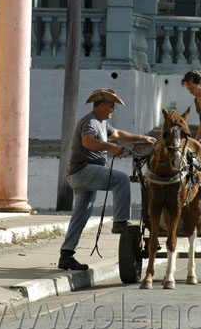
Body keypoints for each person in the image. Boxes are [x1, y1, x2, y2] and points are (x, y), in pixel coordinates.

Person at [58, 88, 156, 271]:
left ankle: (66, 255)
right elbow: (87, 141)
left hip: (84, 175)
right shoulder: (90, 121)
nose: (114, 109)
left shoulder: (102, 123)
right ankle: (120, 220)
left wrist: (142, 138)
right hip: (83, 171)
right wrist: (110, 148)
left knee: (81, 215)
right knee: (121, 180)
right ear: (101, 105)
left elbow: (118, 134)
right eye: (112, 106)